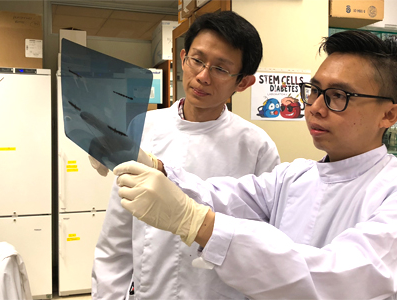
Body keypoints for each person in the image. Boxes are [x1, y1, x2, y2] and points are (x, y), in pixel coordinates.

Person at [113, 30, 397, 299]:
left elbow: (337, 278)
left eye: (339, 95)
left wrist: (195, 222)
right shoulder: (295, 176)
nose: (315, 107)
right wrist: (155, 167)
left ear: (389, 114)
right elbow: (223, 195)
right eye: (314, 90)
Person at [91, 11, 281, 300]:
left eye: (221, 69)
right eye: (197, 60)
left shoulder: (256, 146)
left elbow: (263, 243)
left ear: (242, 83)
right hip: (150, 290)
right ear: (183, 59)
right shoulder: (144, 128)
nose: (203, 76)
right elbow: (116, 236)